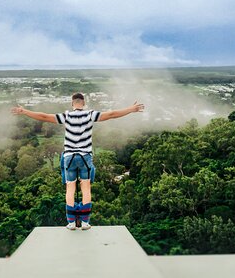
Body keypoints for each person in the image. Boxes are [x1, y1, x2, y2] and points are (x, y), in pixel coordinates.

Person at [11, 93, 144, 230]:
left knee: (70, 188)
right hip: (85, 157)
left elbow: (44, 116)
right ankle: (85, 222)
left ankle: (71, 223)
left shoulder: (67, 116)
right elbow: (112, 114)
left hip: (69, 157)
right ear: (84, 103)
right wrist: (131, 109)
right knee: (86, 187)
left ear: (72, 103)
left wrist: (24, 111)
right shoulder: (90, 114)